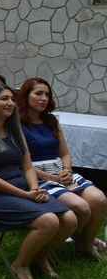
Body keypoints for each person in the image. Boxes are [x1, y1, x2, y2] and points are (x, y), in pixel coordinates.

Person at [0, 84, 77, 279]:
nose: (10, 103)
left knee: (70, 219)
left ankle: (40, 255)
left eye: (12, 99)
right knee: (49, 222)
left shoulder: (14, 128)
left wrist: (34, 188)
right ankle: (20, 264)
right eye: (4, 99)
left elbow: (27, 166)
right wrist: (26, 195)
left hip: (23, 187)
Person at [17, 78, 107, 258]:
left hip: (60, 171)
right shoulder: (17, 124)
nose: (43, 98)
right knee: (81, 207)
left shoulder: (51, 121)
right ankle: (48, 252)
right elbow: (20, 162)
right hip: (38, 176)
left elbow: (65, 152)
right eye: (38, 93)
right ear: (26, 96)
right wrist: (51, 178)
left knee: (99, 199)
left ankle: (85, 245)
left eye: (46, 94)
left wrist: (66, 170)